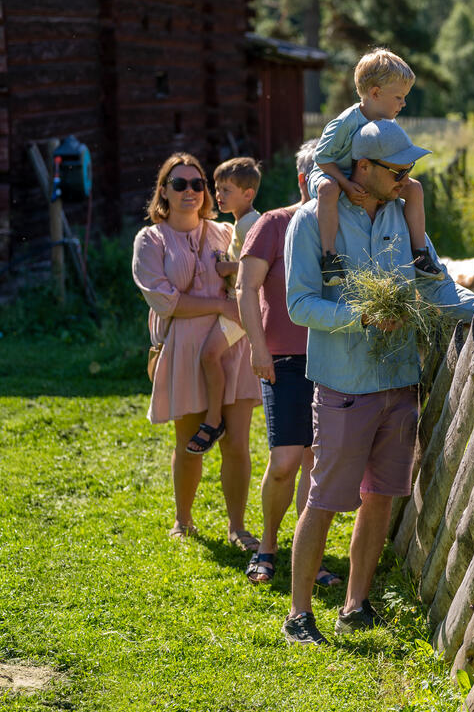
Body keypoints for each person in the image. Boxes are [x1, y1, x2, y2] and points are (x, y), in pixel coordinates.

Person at [281, 120, 474, 644]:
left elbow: (439, 289)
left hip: (399, 379)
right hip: (344, 382)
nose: (407, 177)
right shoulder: (310, 222)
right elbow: (300, 304)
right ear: (364, 167)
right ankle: (299, 615)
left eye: (410, 169)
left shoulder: (404, 217)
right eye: (398, 169)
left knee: (382, 495)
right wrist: (363, 316)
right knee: (326, 498)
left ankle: (355, 603)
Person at [132, 153, 261, 549]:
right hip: (186, 349)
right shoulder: (150, 239)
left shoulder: (226, 232)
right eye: (179, 184)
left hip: (232, 345)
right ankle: (182, 520)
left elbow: (250, 273)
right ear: (164, 193)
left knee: (236, 442)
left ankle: (237, 527)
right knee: (189, 440)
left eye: (197, 184)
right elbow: (164, 301)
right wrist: (222, 304)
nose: (190, 191)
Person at [237, 140, 341, 588]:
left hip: (332, 356)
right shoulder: (273, 224)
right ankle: (268, 544)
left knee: (316, 460)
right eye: (323, 178)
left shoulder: (342, 228)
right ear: (304, 179)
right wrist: (258, 349)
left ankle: (309, 554)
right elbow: (245, 289)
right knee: (284, 460)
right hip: (283, 358)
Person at [309, 47, 443, 286]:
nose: (403, 103)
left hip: (365, 177)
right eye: (399, 97)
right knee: (327, 190)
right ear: (375, 93)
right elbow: (322, 159)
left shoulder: (387, 121)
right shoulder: (345, 122)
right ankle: (329, 257)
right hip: (333, 174)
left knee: (414, 189)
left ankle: (420, 254)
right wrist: (347, 184)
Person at [188, 157, 262, 455]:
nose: (219, 195)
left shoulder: (251, 224)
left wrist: (230, 267)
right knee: (212, 356)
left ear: (248, 194)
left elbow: (262, 267)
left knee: (209, 354)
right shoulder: (239, 222)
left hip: (244, 305)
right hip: (236, 302)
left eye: (226, 190)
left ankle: (214, 419)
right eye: (217, 189)